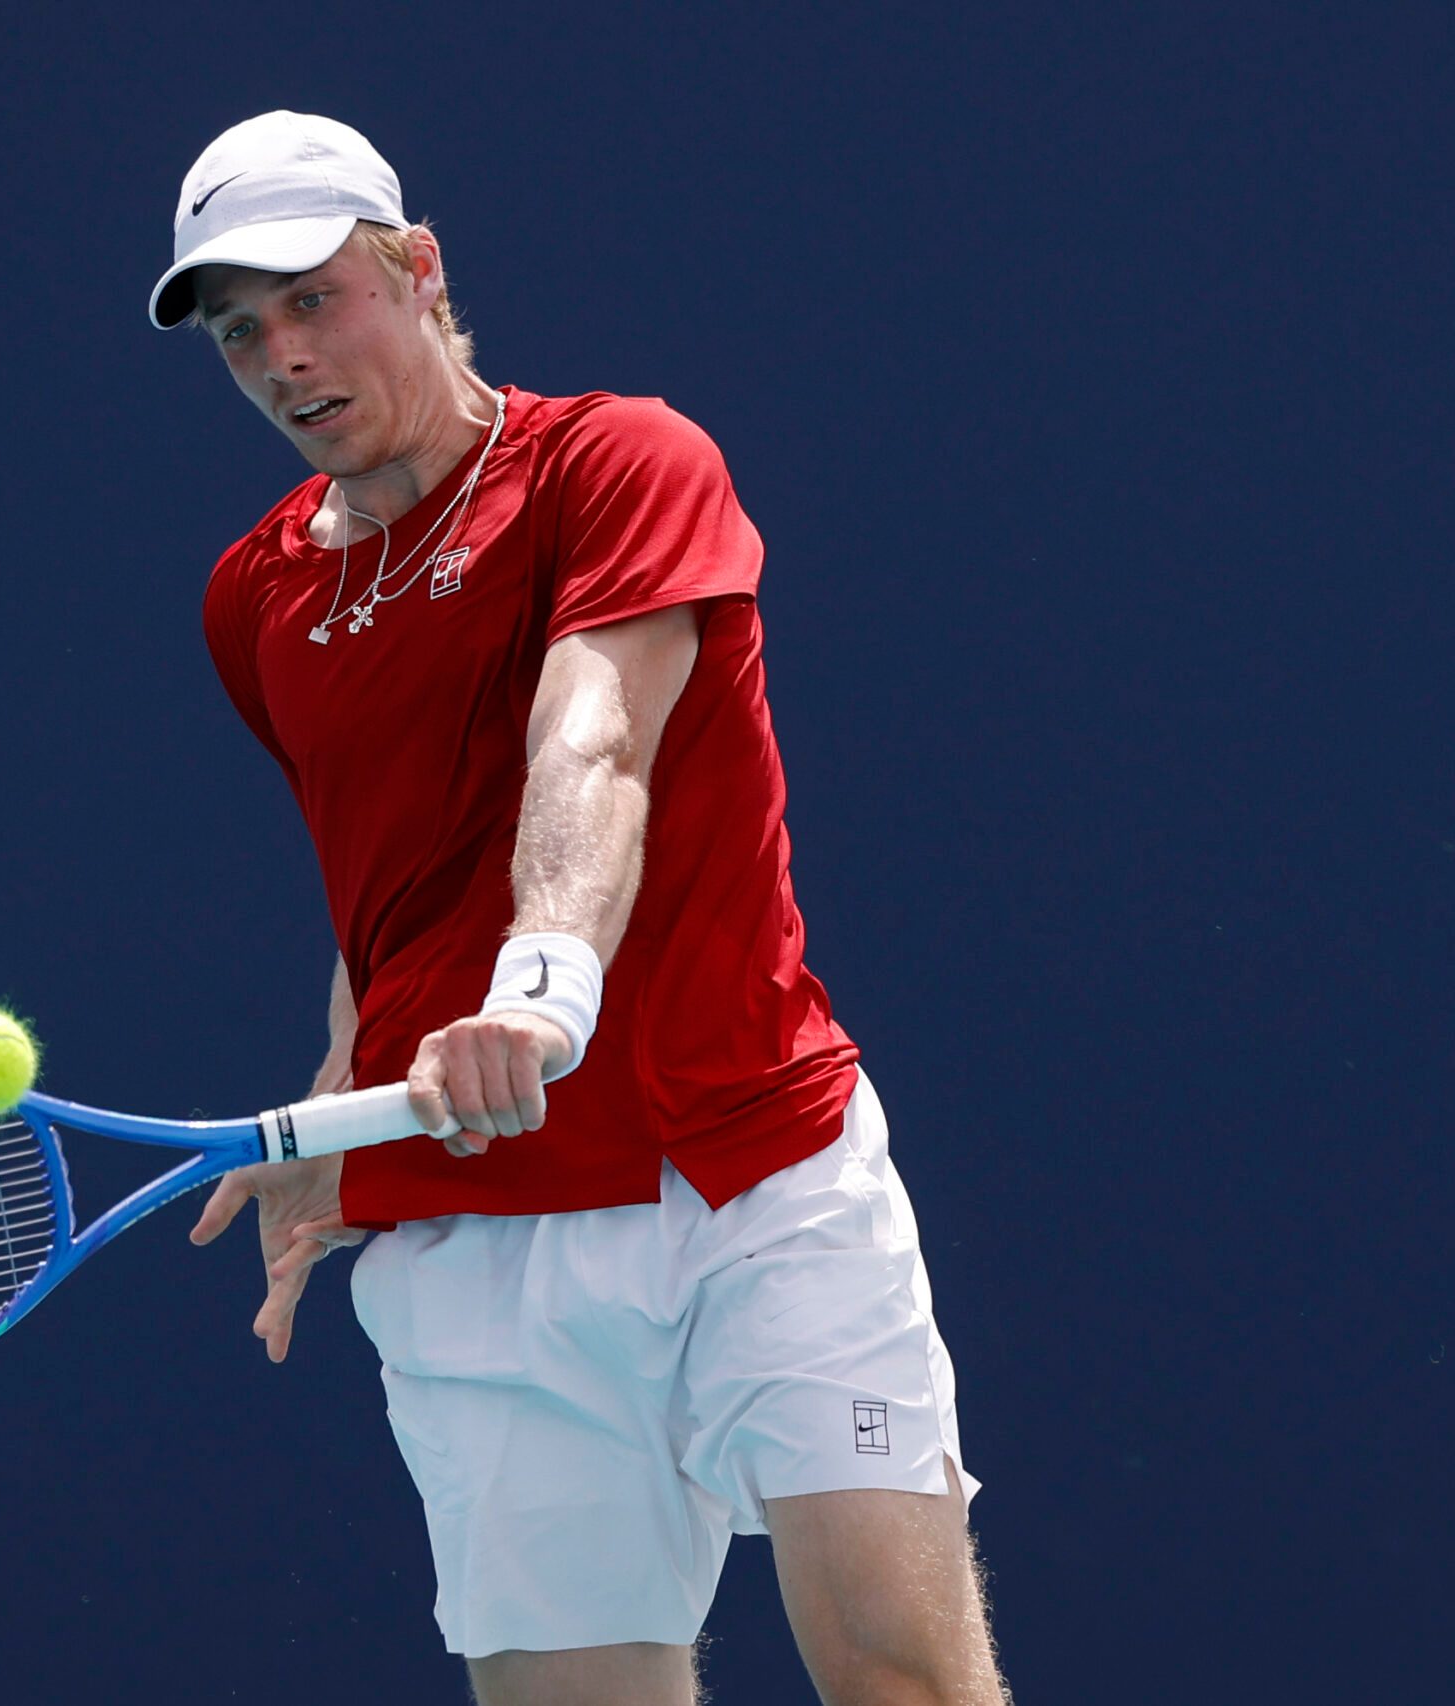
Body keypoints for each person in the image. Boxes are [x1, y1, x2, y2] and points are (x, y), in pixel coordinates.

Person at [158, 111, 1010, 1706]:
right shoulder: (253, 596)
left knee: (905, 1676)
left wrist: (543, 988)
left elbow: (594, 736)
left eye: (313, 299)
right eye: (238, 333)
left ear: (419, 270)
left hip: (749, 1168)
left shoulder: (621, 461)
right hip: (474, 1228)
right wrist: (343, 1111)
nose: (282, 357)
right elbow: (385, 890)